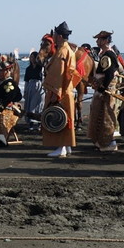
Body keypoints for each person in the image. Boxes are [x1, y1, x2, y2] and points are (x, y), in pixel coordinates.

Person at [42, 22, 78, 157]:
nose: (54, 37)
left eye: (56, 35)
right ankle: (67, 146)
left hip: (60, 91)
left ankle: (61, 147)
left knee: (59, 118)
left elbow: (60, 74)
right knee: (68, 118)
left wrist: (55, 92)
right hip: (67, 90)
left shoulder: (62, 51)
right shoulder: (68, 50)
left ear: (61, 36)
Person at [87, 30, 120, 151]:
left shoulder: (108, 55)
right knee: (100, 115)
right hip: (103, 90)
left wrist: (101, 89)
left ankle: (109, 142)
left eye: (99, 39)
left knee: (106, 117)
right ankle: (101, 142)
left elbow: (110, 74)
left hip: (105, 92)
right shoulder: (106, 54)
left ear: (105, 41)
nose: (97, 41)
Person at [0, 77, 23, 146]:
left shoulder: (10, 83)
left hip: (11, 109)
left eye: (2, 70)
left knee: (3, 117)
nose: (0, 72)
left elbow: (9, 98)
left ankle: (2, 138)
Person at [23, 51, 44, 131]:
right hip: (31, 86)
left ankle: (39, 124)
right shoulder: (28, 69)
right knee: (30, 105)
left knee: (39, 105)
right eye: (31, 57)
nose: (32, 59)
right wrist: (25, 91)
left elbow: (43, 78)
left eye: (33, 57)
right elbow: (26, 81)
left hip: (39, 86)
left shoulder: (41, 68)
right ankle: (31, 124)